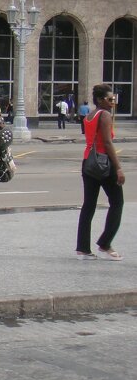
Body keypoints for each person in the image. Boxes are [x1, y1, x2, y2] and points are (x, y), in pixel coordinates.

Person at [75, 84, 125, 261]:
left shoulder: (89, 115)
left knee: (88, 206)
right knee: (117, 202)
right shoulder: (104, 115)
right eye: (110, 99)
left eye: (114, 99)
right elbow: (107, 142)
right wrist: (118, 167)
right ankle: (105, 243)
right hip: (104, 163)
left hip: (88, 162)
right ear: (100, 100)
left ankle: (83, 248)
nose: (113, 102)